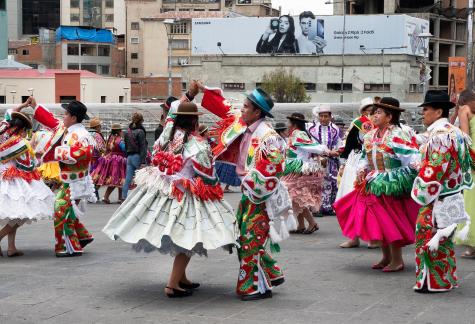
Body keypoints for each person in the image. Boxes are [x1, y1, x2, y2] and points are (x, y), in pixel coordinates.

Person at [103, 94, 237, 298]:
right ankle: (172, 285)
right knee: (188, 238)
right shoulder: (197, 144)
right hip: (183, 192)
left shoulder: (167, 135)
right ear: (195, 121)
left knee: (185, 236)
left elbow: (166, 129)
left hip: (163, 189)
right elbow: (208, 176)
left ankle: (182, 278)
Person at [200, 86, 288, 301]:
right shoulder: (243, 124)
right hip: (249, 193)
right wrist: (205, 90)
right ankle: (271, 273)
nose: (241, 110)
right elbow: (226, 109)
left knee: (249, 240)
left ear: (257, 112)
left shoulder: (269, 136)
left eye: (246, 107)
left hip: (260, 195)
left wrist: (251, 182)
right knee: (245, 237)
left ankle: (251, 286)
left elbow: (276, 165)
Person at [334, 97, 421, 272]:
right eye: (374, 112)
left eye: (378, 112)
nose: (374, 115)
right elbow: (365, 157)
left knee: (390, 221)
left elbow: (412, 158)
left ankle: (397, 260)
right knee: (379, 221)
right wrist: (361, 169)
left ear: (389, 117)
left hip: (391, 183)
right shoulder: (371, 135)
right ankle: (386, 257)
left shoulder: (398, 134)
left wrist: (410, 175)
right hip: (374, 180)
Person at [412, 90, 473, 293]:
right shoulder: (457, 133)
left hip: (436, 198)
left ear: (438, 112)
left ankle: (434, 281)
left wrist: (421, 188)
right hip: (452, 194)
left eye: (426, 109)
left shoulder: (440, 136)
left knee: (427, 236)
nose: (423, 113)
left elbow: (434, 169)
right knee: (444, 240)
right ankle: (446, 278)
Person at [24, 98, 96, 257]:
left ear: (73, 118)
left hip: (75, 181)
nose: (62, 117)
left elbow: (83, 154)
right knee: (65, 210)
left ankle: (68, 246)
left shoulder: (81, 135)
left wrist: (58, 153)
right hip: (69, 179)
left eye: (65, 114)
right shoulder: (68, 129)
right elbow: (51, 121)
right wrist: (36, 106)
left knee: (61, 209)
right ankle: (82, 237)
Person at [0, 101, 55, 257]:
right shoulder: (20, 143)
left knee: (15, 214)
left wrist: (22, 106)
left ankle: (11, 247)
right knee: (21, 216)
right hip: (13, 179)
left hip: (3, 175)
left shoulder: (3, 131)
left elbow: (10, 112)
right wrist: (38, 158)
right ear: (23, 129)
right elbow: (28, 165)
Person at [336, 97, 377, 249]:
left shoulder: (382, 126)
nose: (371, 114)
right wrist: (343, 161)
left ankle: (373, 237)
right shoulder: (359, 124)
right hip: (357, 162)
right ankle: (354, 237)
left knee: (371, 202)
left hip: (373, 162)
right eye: (368, 110)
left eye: (374, 110)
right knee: (352, 199)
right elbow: (349, 143)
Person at [283, 113, 330, 234]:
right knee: (294, 198)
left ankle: (312, 223)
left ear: (294, 124)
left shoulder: (298, 133)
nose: (287, 125)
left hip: (298, 169)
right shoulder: (295, 134)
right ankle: (301, 225)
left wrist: (324, 150)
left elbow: (310, 147)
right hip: (293, 168)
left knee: (296, 197)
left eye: (289, 123)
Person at [307, 105, 343, 215]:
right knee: (316, 184)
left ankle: (327, 207)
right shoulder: (311, 128)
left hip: (330, 161)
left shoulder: (335, 129)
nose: (323, 118)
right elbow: (309, 144)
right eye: (321, 116)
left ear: (330, 117)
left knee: (329, 183)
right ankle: (315, 208)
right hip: (315, 160)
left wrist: (337, 152)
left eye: (326, 116)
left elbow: (339, 144)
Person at [455, 89, 475, 258]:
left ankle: (472, 245)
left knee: (471, 201)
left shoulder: (464, 111)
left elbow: (465, 138)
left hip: (473, 159)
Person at [91, 123, 126, 204]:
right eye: (121, 130)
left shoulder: (110, 138)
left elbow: (107, 149)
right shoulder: (119, 140)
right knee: (117, 178)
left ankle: (119, 197)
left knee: (118, 179)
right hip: (118, 160)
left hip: (110, 158)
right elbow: (124, 149)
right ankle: (108, 197)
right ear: (119, 131)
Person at [122, 112, 147, 199]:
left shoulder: (127, 133)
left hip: (129, 157)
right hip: (137, 156)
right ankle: (141, 197)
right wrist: (143, 161)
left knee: (128, 178)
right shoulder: (140, 131)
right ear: (141, 121)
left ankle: (124, 197)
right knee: (143, 178)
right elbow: (143, 147)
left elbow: (125, 146)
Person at [88, 117, 106, 200]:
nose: (100, 127)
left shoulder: (86, 134)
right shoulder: (97, 135)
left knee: (90, 177)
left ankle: (93, 194)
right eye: (99, 126)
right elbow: (101, 147)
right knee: (97, 176)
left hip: (87, 158)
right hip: (96, 159)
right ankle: (94, 194)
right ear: (96, 127)